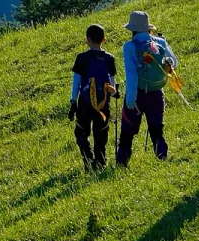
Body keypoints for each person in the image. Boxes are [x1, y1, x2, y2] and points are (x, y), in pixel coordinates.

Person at [118, 11, 177, 166]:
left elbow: (131, 75)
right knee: (157, 129)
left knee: (127, 131)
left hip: (138, 94)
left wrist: (130, 99)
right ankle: (162, 159)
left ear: (132, 29)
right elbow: (174, 63)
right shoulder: (160, 42)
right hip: (157, 92)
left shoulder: (130, 46)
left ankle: (122, 163)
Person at [69, 24, 117, 170]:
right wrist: (114, 93)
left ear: (87, 39)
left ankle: (88, 160)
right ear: (103, 39)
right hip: (103, 104)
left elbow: (76, 82)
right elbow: (112, 83)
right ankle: (101, 162)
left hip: (85, 103)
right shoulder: (109, 58)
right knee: (101, 133)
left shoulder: (82, 58)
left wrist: (73, 102)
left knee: (81, 131)